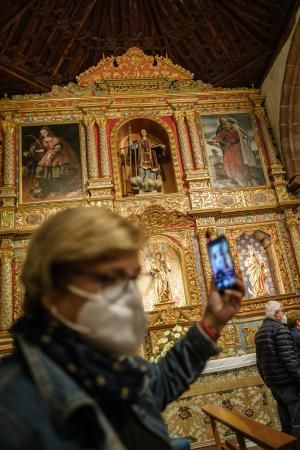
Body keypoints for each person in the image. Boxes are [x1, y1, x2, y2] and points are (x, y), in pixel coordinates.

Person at [0, 206, 244, 450]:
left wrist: (212, 320)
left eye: (133, 279)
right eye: (109, 278)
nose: (128, 295)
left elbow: (162, 382)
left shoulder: (112, 367)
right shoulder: (10, 409)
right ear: (51, 289)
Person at [255, 300, 300, 439]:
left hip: (274, 384)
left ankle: (287, 446)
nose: (284, 314)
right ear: (277, 314)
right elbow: (290, 361)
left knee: (285, 421)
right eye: (283, 311)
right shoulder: (281, 329)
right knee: (297, 421)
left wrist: (268, 381)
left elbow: (259, 362)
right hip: (287, 383)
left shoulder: (259, 332)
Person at [32, 126, 80, 198]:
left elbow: (59, 148)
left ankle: (59, 188)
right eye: (42, 133)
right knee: (45, 171)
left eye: (44, 132)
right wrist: (36, 151)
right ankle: (48, 188)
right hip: (48, 156)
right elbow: (44, 150)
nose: (43, 134)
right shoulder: (43, 140)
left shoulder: (56, 139)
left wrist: (54, 152)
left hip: (58, 156)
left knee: (57, 172)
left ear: (48, 132)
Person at [210, 116, 258, 186]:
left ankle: (243, 176)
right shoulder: (223, 132)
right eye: (224, 124)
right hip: (228, 148)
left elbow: (244, 137)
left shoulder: (238, 131)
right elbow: (218, 137)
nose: (226, 126)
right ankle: (232, 177)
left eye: (227, 124)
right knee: (228, 160)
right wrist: (214, 140)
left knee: (239, 160)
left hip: (237, 147)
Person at [129, 129, 166, 194]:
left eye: (144, 132)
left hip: (151, 161)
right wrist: (130, 142)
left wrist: (161, 147)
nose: (143, 133)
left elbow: (158, 146)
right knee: (141, 174)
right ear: (140, 134)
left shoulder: (151, 141)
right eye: (141, 132)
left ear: (146, 133)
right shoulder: (139, 142)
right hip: (142, 160)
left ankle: (150, 188)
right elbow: (133, 148)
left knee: (151, 175)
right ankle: (142, 189)